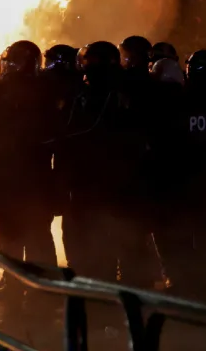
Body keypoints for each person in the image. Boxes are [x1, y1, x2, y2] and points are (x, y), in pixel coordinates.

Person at [53, 41, 151, 286]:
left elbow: (69, 137)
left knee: (90, 241)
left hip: (90, 184)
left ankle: (98, 289)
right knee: (125, 242)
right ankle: (132, 291)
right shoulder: (134, 88)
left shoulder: (87, 94)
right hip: (125, 183)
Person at [152, 51, 206, 298]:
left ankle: (179, 281)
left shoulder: (177, 103)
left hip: (181, 184)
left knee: (176, 234)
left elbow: (163, 142)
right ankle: (202, 283)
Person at [0, 41, 58, 273]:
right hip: (36, 175)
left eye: (11, 62)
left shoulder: (5, 91)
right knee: (37, 233)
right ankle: (42, 284)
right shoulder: (45, 89)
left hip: (14, 175)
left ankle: (17, 283)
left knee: (14, 234)